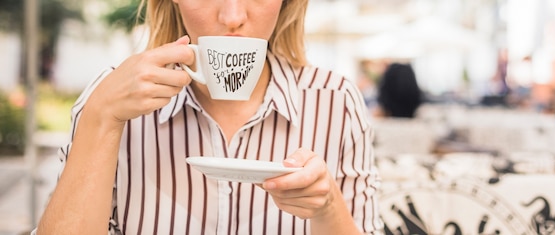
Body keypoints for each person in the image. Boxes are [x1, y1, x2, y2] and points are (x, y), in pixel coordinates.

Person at [34, 0, 383, 234]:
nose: (232, 17)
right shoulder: (110, 98)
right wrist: (102, 116)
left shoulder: (337, 101)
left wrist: (327, 207)